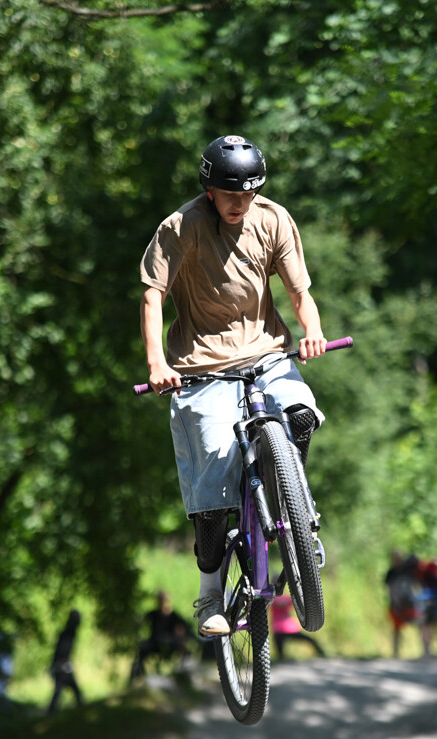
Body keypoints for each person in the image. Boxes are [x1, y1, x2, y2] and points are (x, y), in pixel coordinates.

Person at [139, 134, 328, 638]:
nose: (240, 204)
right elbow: (153, 297)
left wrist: (312, 332)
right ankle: (209, 595)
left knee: (301, 414)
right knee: (215, 483)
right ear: (209, 191)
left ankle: (292, 510)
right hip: (200, 367)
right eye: (230, 195)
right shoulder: (180, 228)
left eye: (248, 193)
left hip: (267, 353)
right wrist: (158, 362)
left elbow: (299, 291)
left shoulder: (274, 219)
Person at [129, 591, 193, 682]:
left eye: (164, 601)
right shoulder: (153, 614)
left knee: (186, 651)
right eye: (160, 601)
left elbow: (186, 628)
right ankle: (138, 678)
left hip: (171, 643)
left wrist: (180, 637)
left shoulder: (174, 616)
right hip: (155, 643)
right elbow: (141, 621)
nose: (162, 603)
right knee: (142, 650)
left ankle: (184, 676)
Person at [384, 550, 424, 657]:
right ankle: (395, 653)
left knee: (421, 623)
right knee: (396, 629)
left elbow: (416, 584)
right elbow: (389, 590)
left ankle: (425, 650)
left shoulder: (408, 571)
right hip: (396, 605)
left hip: (410, 605)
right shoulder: (391, 573)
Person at [47, 609, 83, 714]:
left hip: (62, 665)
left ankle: (52, 711)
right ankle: (52, 711)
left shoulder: (69, 632)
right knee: (63, 689)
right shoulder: (68, 633)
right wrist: (61, 663)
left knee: (62, 690)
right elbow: (62, 650)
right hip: (61, 665)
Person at [270, 594, 326, 661]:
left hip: (288, 628)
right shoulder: (274, 598)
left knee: (310, 640)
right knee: (280, 650)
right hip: (279, 629)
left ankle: (321, 653)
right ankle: (281, 659)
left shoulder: (278, 597)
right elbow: (282, 603)